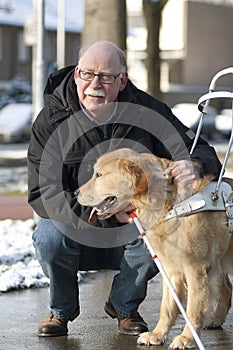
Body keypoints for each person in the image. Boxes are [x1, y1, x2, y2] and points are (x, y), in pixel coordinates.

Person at [27, 41, 222, 337]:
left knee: (164, 228)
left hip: (133, 228)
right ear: (76, 73)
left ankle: (124, 308)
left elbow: (200, 149)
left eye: (106, 77)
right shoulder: (50, 120)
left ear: (122, 80)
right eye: (87, 73)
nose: (95, 84)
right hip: (79, 223)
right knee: (48, 235)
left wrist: (194, 164)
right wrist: (108, 214)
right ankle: (60, 311)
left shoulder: (147, 111)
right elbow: (42, 193)